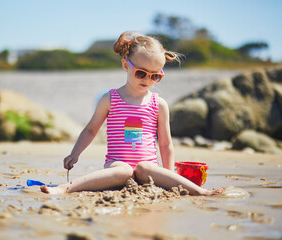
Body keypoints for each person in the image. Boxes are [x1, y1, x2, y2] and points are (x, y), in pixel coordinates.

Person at [41, 31, 223, 196]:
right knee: (125, 171)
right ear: (125, 66)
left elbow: (166, 144)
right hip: (117, 164)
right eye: (141, 73)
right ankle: (66, 187)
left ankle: (202, 192)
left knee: (144, 167)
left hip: (148, 169)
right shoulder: (110, 99)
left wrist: (168, 176)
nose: (148, 80)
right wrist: (75, 153)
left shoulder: (158, 104)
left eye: (155, 76)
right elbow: (90, 130)